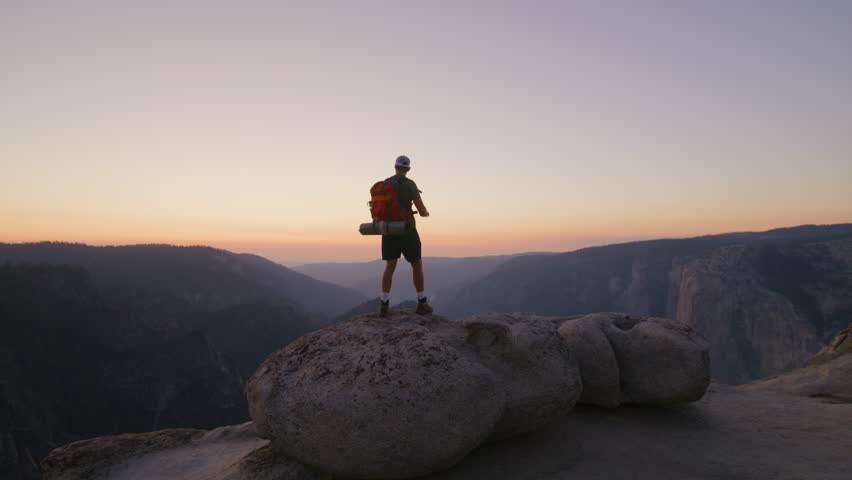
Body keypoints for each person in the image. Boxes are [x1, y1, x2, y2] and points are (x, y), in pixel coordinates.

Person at [380, 155, 433, 317]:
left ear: (394, 167)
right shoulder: (410, 185)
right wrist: (426, 214)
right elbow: (422, 210)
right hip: (407, 229)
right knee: (416, 264)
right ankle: (422, 302)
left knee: (390, 266)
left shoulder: (385, 184)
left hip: (388, 229)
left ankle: (384, 304)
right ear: (408, 169)